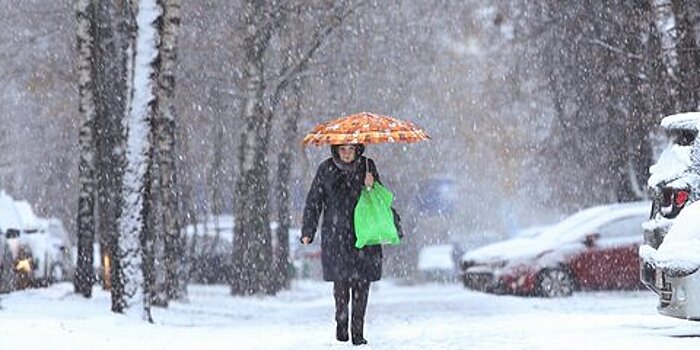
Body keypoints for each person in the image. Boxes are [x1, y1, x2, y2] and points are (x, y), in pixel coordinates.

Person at [301, 143, 382, 346]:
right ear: (336, 150)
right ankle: (341, 325)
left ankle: (358, 332)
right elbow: (314, 200)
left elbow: (380, 199)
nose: (347, 154)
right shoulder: (326, 169)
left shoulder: (367, 166)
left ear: (358, 150)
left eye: (351, 149)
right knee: (341, 284)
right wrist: (308, 231)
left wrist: (371, 186)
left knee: (362, 285)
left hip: (363, 234)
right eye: (342, 149)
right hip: (336, 236)